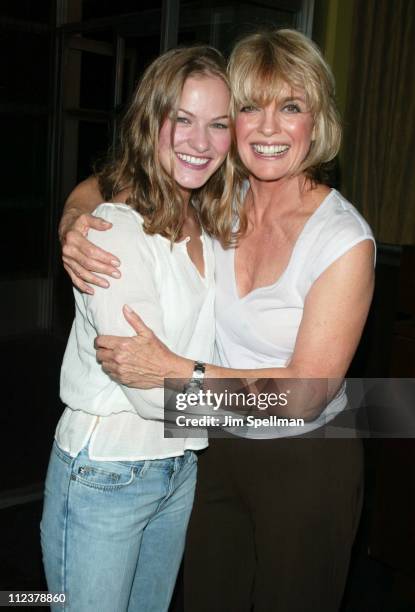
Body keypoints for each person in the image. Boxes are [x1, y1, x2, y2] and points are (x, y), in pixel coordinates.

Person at [59, 29, 375, 612]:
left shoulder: (342, 239)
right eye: (249, 108)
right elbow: (111, 184)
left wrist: (177, 371)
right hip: (211, 448)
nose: (269, 128)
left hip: (305, 458)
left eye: (291, 107)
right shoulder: (216, 196)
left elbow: (305, 395)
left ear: (318, 121)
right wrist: (75, 221)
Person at [41, 45, 232, 612]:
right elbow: (152, 396)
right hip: (107, 474)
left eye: (218, 124)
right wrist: (281, 403)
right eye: (183, 119)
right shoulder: (114, 232)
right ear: (151, 120)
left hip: (178, 470)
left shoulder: (211, 220)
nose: (201, 143)